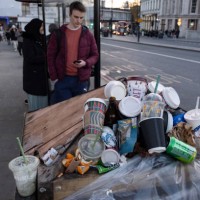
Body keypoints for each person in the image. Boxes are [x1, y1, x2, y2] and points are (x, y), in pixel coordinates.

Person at [47, 1, 99, 104]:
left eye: (81, 18)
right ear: (69, 14)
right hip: (63, 79)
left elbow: (95, 55)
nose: (79, 21)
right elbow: (50, 55)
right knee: (65, 111)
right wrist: (53, 76)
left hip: (81, 80)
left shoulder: (87, 34)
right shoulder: (59, 33)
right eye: (76, 17)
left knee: (79, 110)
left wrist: (85, 63)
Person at [22, 18, 49, 112]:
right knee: (35, 108)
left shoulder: (39, 38)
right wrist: (47, 57)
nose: (43, 28)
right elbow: (31, 58)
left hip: (40, 79)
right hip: (33, 80)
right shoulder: (28, 40)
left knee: (43, 106)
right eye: (41, 26)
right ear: (35, 27)